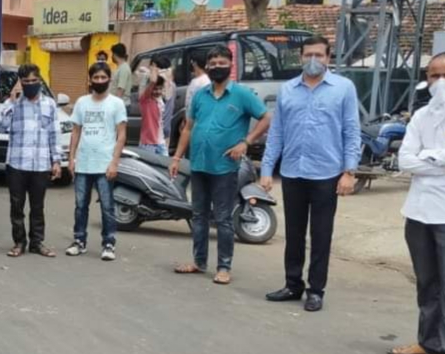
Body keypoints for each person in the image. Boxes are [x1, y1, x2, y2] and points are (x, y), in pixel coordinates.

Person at [260, 36, 360, 312]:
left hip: (327, 174)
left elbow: (351, 131)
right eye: (308, 55)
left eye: (318, 55)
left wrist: (349, 172)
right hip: (293, 172)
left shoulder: (343, 88)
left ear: (328, 58)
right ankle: (293, 284)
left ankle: (316, 290)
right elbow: (277, 133)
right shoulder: (288, 89)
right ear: (300, 57)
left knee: (321, 234)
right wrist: (267, 169)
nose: (313, 60)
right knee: (293, 234)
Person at [170, 45, 271, 284]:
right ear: (207, 66)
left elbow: (266, 117)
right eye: (213, 63)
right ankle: (199, 261)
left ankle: (224, 267)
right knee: (198, 216)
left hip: (225, 167)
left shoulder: (242, 94)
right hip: (199, 164)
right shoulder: (201, 95)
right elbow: (188, 128)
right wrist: (176, 157)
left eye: (221, 63)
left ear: (230, 65)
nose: (217, 67)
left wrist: (245, 142)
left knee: (223, 218)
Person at [388, 53, 445, 354]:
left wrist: (426, 157)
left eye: (444, 75)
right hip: (419, 211)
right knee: (427, 283)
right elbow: (405, 161)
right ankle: (429, 343)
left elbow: (416, 160)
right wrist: (438, 161)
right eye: (433, 75)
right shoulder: (422, 116)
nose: (439, 82)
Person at [0, 63, 61, 258]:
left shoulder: (50, 104)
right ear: (21, 83)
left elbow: (54, 134)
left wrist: (56, 161)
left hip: (40, 163)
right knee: (17, 206)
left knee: (37, 206)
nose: (31, 84)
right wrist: (11, 101)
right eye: (26, 81)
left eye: (34, 80)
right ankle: (19, 242)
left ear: (39, 80)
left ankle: (37, 242)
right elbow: (1, 126)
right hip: (17, 163)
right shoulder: (14, 104)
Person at [65, 62, 128, 261]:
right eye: (96, 77)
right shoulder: (82, 102)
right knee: (80, 206)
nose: (99, 81)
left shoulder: (116, 104)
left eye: (103, 77)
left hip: (105, 164)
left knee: (107, 207)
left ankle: (108, 244)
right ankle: (79, 241)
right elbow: (75, 132)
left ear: (109, 79)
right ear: (90, 80)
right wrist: (71, 158)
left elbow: (121, 135)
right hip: (83, 163)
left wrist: (114, 162)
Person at [139, 68, 168, 156]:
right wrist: (154, 69)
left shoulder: (161, 100)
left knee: (166, 164)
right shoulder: (146, 100)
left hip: (161, 142)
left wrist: (162, 73)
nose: (158, 91)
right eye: (155, 89)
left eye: (160, 89)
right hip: (148, 144)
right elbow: (152, 81)